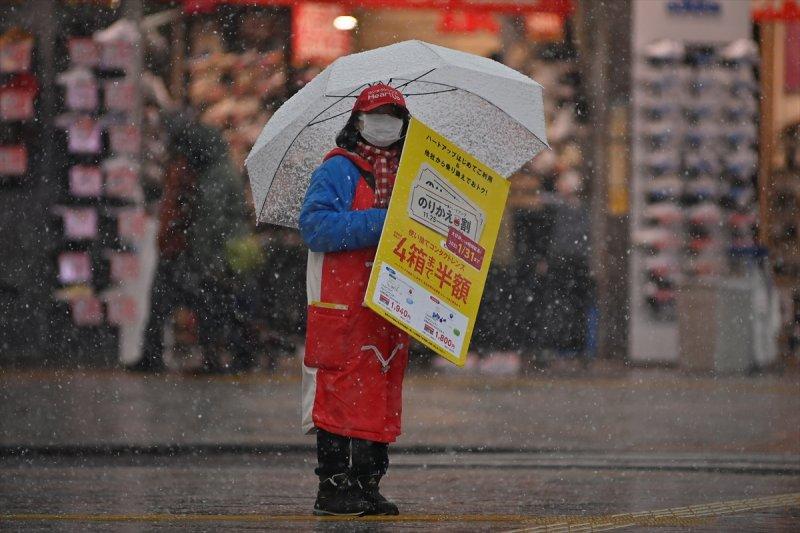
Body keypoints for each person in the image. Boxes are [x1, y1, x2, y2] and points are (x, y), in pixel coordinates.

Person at [298, 84, 410, 516]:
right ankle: (333, 485)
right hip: (342, 305)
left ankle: (368, 482)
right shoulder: (337, 171)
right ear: (358, 120)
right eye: (378, 114)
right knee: (338, 389)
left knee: (379, 390)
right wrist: (381, 222)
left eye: (394, 116)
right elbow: (316, 228)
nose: (387, 124)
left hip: (387, 306)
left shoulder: (410, 171)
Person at [128, 111, 247, 373]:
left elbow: (210, 221)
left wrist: (201, 255)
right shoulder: (212, 171)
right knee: (206, 304)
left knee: (195, 303)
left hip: (197, 252)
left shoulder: (209, 175)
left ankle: (194, 357)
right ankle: (211, 357)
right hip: (197, 251)